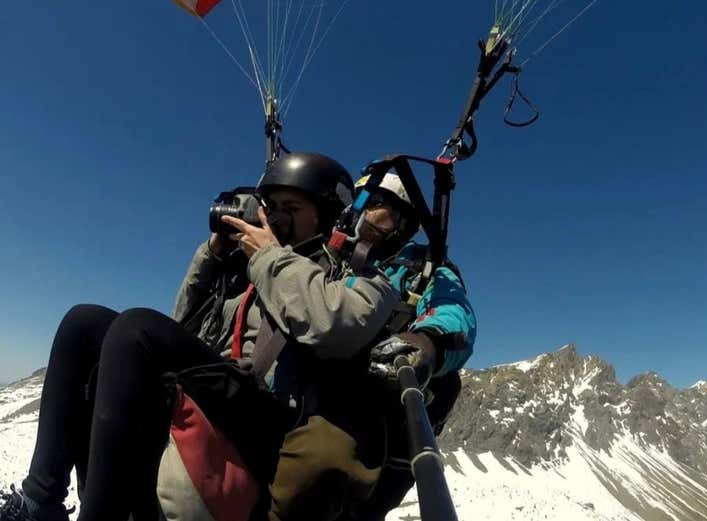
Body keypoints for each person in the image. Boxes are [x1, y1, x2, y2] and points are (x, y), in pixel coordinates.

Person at [0, 152, 400, 521]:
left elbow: (335, 325)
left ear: (328, 216)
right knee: (84, 323)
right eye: (272, 209)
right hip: (224, 391)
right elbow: (181, 326)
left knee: (137, 326)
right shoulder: (255, 273)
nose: (276, 220)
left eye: (291, 209)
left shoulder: (361, 276)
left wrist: (267, 257)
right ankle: (40, 502)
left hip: (273, 416)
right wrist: (212, 254)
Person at [268, 172, 476, 521]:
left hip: (363, 400)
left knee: (316, 469)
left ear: (402, 220)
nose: (363, 209)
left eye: (377, 202)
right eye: (362, 199)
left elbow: (454, 312)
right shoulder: (328, 254)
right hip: (292, 387)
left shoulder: (422, 269)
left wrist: (427, 341)